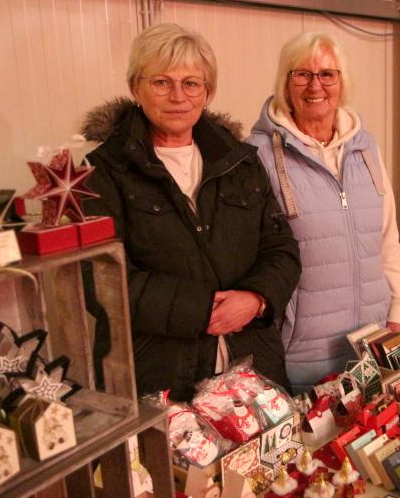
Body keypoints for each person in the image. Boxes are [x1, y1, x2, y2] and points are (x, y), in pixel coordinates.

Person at [81, 23, 301, 401]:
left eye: (191, 83)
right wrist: (201, 310)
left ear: (208, 92)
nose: (177, 96)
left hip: (253, 369)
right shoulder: (103, 172)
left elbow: (282, 249)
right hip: (159, 378)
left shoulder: (241, 163)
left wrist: (256, 299)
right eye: (161, 82)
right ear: (136, 88)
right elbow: (100, 281)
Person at [247, 32, 400, 392]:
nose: (315, 85)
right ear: (286, 83)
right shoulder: (257, 155)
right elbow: (251, 258)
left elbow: (386, 237)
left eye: (327, 74)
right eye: (301, 74)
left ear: (341, 82)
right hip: (302, 358)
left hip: (372, 344)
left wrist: (397, 310)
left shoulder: (366, 148)